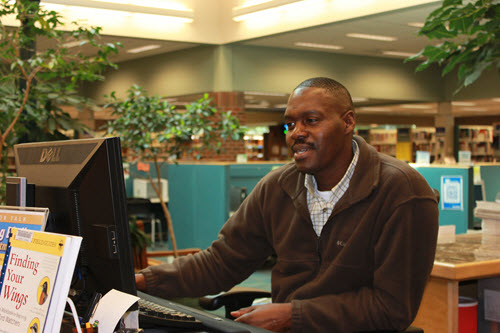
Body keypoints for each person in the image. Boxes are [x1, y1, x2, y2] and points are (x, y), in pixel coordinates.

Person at [135, 77, 439, 332]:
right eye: (290, 124)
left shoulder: (403, 192)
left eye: (311, 120)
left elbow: (392, 307)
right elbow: (223, 261)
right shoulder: (277, 187)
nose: (297, 133)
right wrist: (144, 280)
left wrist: (293, 315)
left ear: (348, 122)